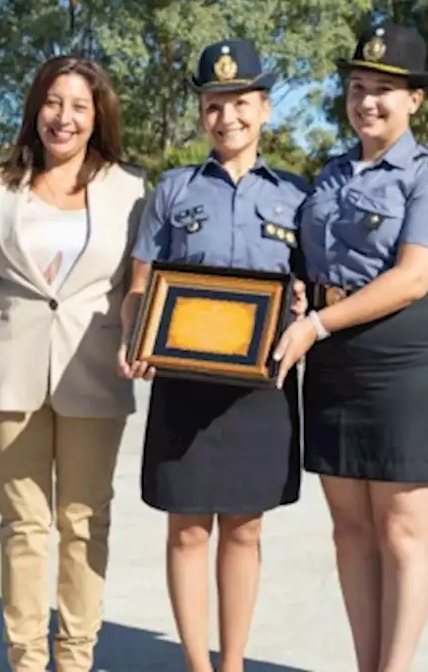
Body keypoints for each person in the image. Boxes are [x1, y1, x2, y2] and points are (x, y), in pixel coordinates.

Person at [270, 24, 428, 672]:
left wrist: (317, 326)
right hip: (330, 359)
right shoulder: (326, 177)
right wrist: (300, 297)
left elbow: (414, 276)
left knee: (402, 530)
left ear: (415, 99)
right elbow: (302, 259)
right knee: (350, 529)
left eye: (385, 90)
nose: (368, 102)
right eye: (358, 88)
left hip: (397, 359)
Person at [0, 55, 145, 672]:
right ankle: (27, 659)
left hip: (95, 376)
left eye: (79, 106)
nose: (64, 118)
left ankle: (77, 656)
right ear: (36, 108)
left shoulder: (132, 190)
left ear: (98, 116)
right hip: (10, 378)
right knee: (23, 525)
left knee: (86, 522)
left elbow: (145, 285)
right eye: (53, 102)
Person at [121, 38, 307, 672]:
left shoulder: (297, 195)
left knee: (247, 529)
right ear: (201, 113)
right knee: (188, 527)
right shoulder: (172, 191)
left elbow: (309, 286)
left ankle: (233, 665)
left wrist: (307, 304)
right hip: (185, 383)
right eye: (212, 105)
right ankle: (197, 665)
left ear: (265, 109)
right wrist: (135, 337)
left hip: (262, 388)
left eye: (240, 103)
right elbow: (141, 286)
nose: (226, 117)